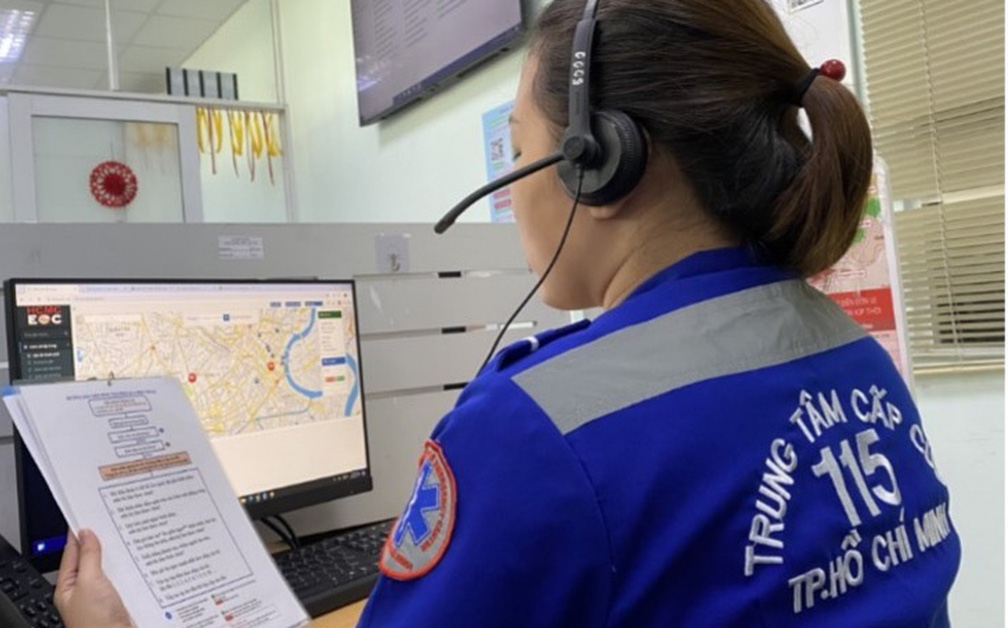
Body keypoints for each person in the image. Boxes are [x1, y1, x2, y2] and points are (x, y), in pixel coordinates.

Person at [56, 0, 961, 625]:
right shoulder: (854, 357)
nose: (514, 193)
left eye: (521, 151)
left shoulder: (540, 432)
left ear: (597, 165)